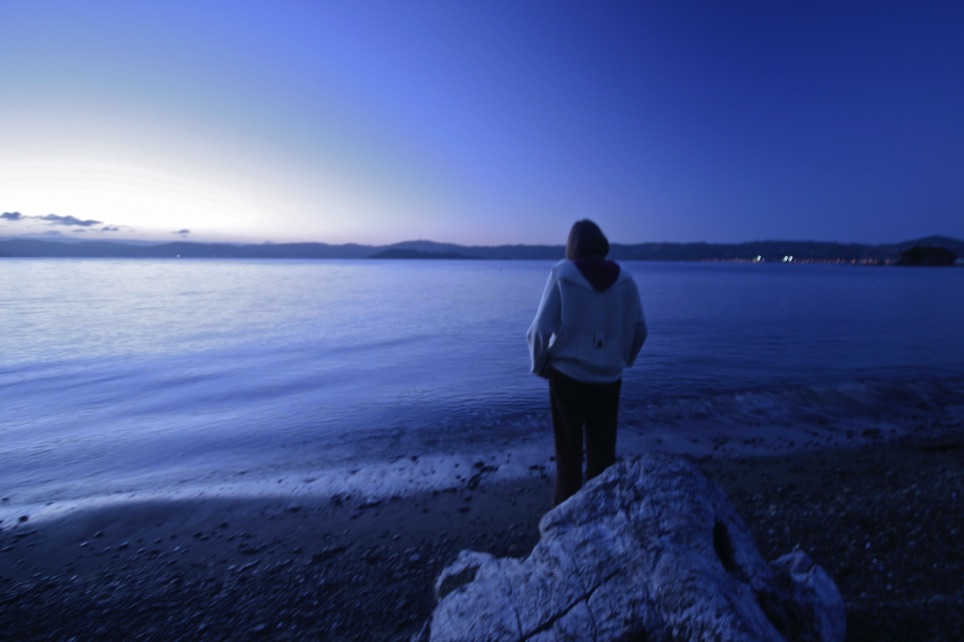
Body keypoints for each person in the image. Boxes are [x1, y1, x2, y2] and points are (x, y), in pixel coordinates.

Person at [527, 220, 648, 506]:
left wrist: (538, 364)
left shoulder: (562, 272)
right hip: (608, 377)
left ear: (573, 245)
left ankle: (565, 521)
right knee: (603, 453)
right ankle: (600, 515)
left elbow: (540, 330)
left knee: (568, 454)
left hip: (567, 376)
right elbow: (640, 329)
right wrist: (622, 360)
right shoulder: (626, 278)